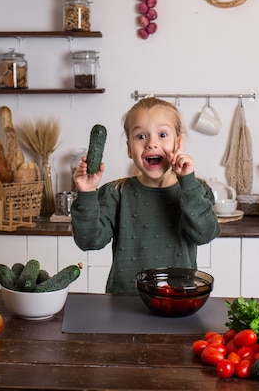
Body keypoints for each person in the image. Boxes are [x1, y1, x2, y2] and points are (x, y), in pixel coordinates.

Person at [71, 97, 222, 294]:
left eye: (162, 134)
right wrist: (86, 193)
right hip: (124, 304)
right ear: (129, 148)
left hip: (177, 302)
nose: (151, 143)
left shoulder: (196, 189)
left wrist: (188, 182)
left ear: (178, 143)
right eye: (141, 136)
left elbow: (205, 234)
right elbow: (88, 241)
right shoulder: (115, 193)